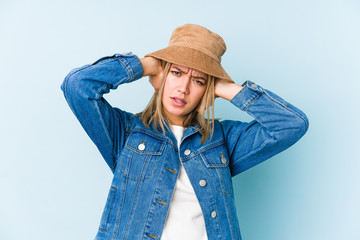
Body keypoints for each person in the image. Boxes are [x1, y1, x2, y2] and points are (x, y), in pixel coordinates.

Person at [61, 24, 309, 240]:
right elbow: (77, 86)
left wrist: (224, 87)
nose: (183, 88)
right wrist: (146, 65)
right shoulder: (125, 133)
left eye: (198, 81)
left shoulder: (222, 140)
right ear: (161, 76)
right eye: (176, 73)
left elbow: (291, 125)